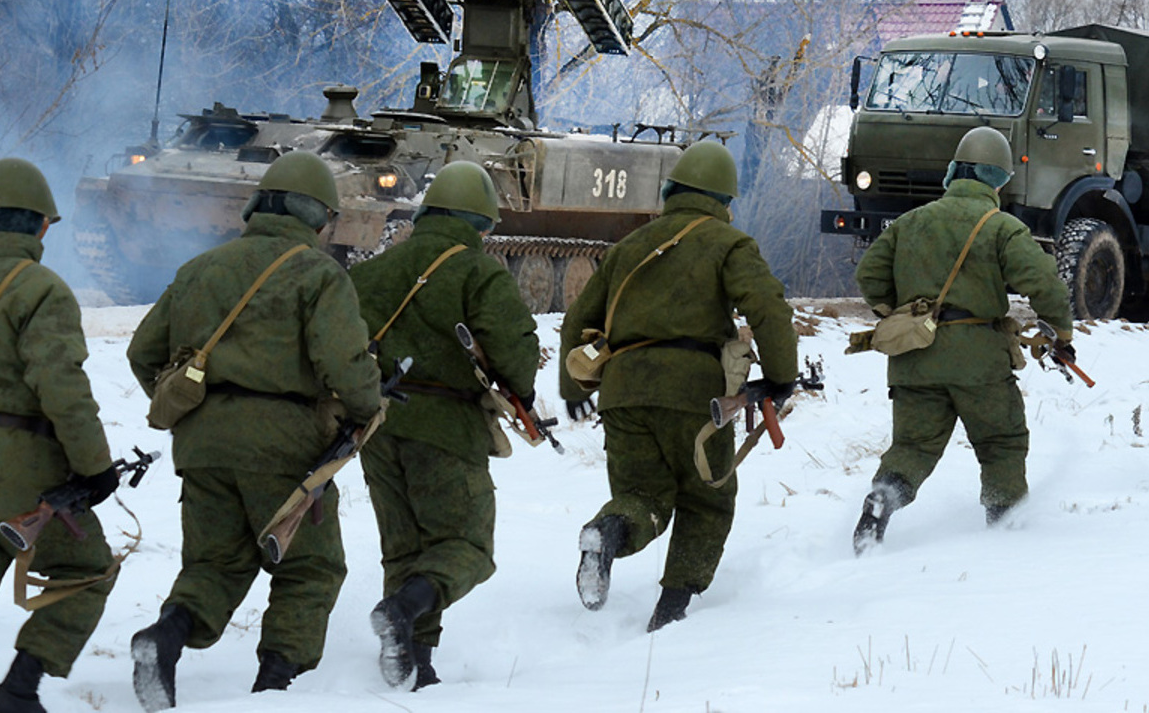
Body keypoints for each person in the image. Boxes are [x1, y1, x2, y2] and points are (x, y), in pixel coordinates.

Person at [126, 151, 381, 710]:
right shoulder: (318, 273)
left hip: (200, 447)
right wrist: (368, 405)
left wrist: (195, 408)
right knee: (311, 566)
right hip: (284, 446)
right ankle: (273, 689)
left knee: (214, 563)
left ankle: (164, 637)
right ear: (319, 219)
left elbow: (142, 352)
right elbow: (343, 363)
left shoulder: (200, 268)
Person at [559, 141, 798, 632]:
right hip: (695, 394)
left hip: (622, 394)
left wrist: (574, 389)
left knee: (642, 496)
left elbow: (576, 321)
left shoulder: (628, 247)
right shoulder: (728, 244)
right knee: (706, 498)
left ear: (671, 190)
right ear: (724, 200)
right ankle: (671, 609)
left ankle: (607, 532)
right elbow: (769, 309)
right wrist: (781, 377)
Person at [349, 160, 539, 691]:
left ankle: (415, 661)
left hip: (378, 429)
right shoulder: (477, 272)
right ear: (480, 222)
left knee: (405, 547)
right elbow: (515, 356)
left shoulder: (369, 272)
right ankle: (404, 615)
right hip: (446, 425)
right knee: (467, 546)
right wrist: (520, 391)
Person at [0, 158, 120, 713]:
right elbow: (61, 386)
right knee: (89, 567)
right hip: (23, 482)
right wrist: (96, 468)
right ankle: (20, 691)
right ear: (39, 226)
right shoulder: (41, 289)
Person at [852, 126, 1073, 554]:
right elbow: (1045, 284)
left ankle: (882, 501)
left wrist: (905, 314)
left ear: (955, 171)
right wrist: (1060, 333)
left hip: (914, 358)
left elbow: (869, 276)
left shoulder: (910, 222)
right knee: (1000, 442)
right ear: (999, 179)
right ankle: (1005, 526)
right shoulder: (1002, 227)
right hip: (979, 362)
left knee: (912, 447)